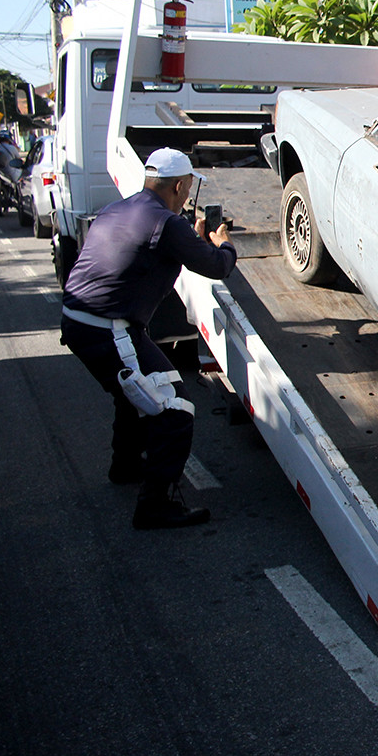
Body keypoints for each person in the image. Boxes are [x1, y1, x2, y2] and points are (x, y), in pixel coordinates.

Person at [61, 147, 237, 529]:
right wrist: (222, 241)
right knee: (173, 406)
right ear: (178, 186)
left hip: (78, 320)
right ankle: (155, 505)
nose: (189, 196)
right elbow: (216, 266)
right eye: (188, 189)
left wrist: (187, 237)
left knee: (134, 389)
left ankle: (125, 466)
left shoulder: (118, 208)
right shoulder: (166, 224)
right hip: (107, 327)